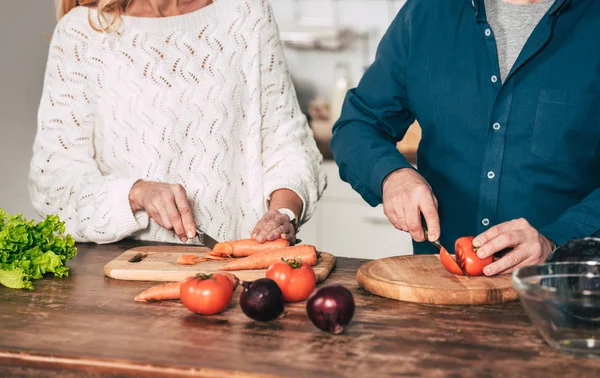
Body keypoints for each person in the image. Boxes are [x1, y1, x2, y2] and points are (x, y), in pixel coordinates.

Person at [331, 0, 600, 276]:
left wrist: (556, 240)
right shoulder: (427, 12)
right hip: (439, 290)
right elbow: (359, 124)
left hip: (564, 292)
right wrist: (391, 175)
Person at [29, 0, 326, 246]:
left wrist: (283, 213)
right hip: (122, 280)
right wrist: (136, 193)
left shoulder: (247, 13)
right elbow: (54, 184)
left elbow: (289, 146)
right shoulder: (82, 34)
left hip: (239, 277)